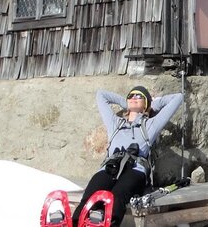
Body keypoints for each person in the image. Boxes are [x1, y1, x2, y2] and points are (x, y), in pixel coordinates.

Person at [73, 85, 184, 227]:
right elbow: (101, 94)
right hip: (110, 167)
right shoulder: (115, 124)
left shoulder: (150, 125)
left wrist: (152, 104)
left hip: (135, 170)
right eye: (131, 96)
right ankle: (75, 223)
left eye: (139, 97)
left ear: (146, 104)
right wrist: (126, 103)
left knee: (117, 196)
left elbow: (178, 97)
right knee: (91, 195)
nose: (134, 98)